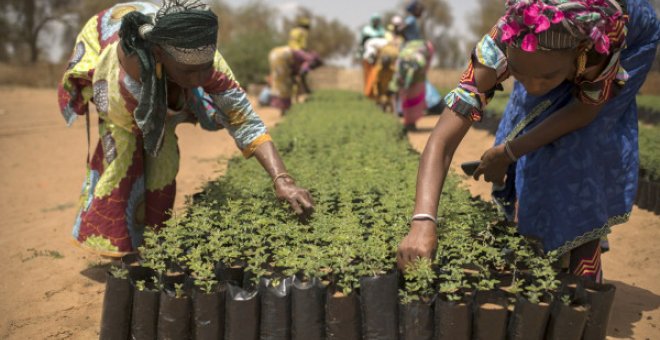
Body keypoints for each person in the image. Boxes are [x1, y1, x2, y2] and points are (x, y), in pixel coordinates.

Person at [397, 0, 659, 283]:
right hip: (547, 56)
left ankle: (585, 256)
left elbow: (583, 112)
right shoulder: (497, 48)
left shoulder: (600, 47)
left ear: (578, 57)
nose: (533, 86)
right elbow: (442, 141)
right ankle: (541, 239)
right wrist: (423, 221)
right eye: (518, 75)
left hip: (632, 39)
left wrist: (509, 152)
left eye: (546, 77)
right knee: (526, 120)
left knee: (577, 148)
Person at [58, 1, 315, 257]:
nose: (200, 79)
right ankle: (119, 245)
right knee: (124, 158)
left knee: (164, 164)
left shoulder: (205, 60)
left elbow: (244, 119)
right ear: (159, 54)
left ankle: (155, 243)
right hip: (111, 66)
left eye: (205, 69)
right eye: (189, 72)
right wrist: (164, 116)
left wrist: (282, 179)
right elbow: (143, 120)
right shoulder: (128, 68)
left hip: (161, 65)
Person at [268, 45, 322, 116]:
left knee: (280, 81)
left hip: (274, 54)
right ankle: (285, 109)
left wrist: (295, 80)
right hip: (283, 56)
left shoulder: (304, 55)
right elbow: (302, 74)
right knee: (285, 84)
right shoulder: (310, 60)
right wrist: (307, 90)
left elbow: (294, 73)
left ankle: (284, 109)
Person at [359, 13, 387, 96]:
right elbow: (362, 43)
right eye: (375, 20)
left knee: (377, 75)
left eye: (377, 21)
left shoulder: (381, 30)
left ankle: (376, 92)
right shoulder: (366, 30)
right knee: (368, 75)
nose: (376, 22)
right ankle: (368, 93)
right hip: (368, 56)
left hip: (379, 57)